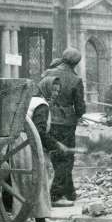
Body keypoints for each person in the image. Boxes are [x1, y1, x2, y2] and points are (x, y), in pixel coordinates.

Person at [11, 75, 75, 222]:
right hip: (29, 147)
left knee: (21, 186)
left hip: (18, 147)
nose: (55, 93)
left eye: (57, 90)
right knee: (40, 184)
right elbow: (39, 132)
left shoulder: (30, 101)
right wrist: (56, 145)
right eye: (53, 89)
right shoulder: (42, 105)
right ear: (45, 87)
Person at [43, 47, 86, 206]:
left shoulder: (48, 73)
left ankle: (69, 192)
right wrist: (79, 114)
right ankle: (56, 195)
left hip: (47, 119)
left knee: (56, 155)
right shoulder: (76, 80)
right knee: (66, 159)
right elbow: (80, 108)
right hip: (66, 123)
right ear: (76, 64)